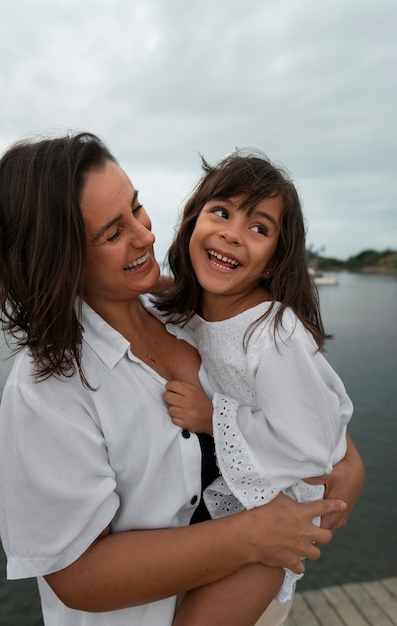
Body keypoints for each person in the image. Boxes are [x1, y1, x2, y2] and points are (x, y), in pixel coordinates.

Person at [0, 133, 364, 626]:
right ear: (60, 258)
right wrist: (253, 536)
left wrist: (352, 470)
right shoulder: (45, 390)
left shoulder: (190, 311)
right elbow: (74, 577)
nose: (145, 236)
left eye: (137, 207)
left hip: (263, 602)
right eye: (112, 232)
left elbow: (311, 424)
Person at [156, 150, 356, 624]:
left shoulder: (273, 334)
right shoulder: (194, 308)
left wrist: (213, 418)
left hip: (280, 515)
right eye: (221, 212)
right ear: (192, 223)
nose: (232, 233)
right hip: (233, 503)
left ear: (274, 261)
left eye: (259, 228)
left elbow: (313, 446)